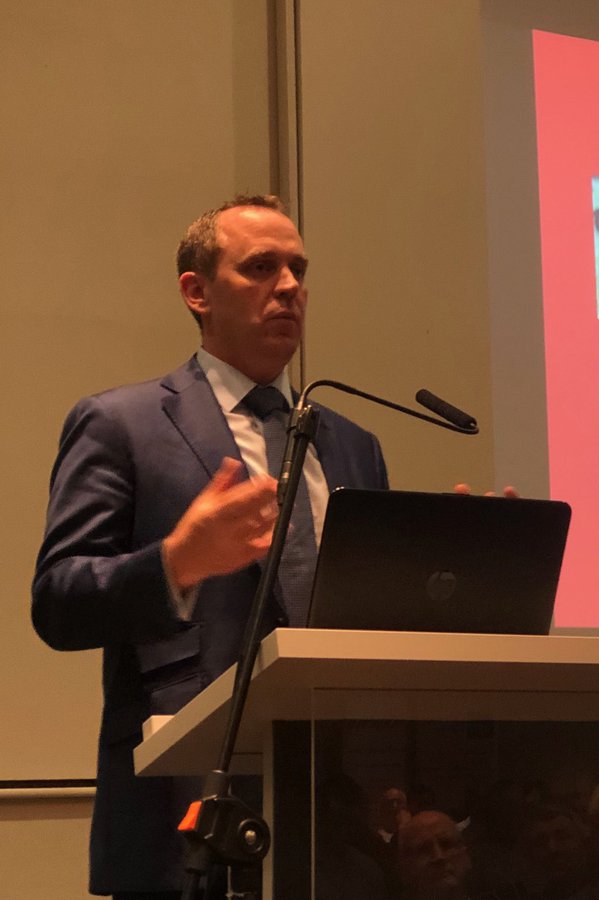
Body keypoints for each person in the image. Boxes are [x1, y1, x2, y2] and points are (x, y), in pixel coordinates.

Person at [32, 195, 389, 899]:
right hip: (186, 813)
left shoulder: (354, 445)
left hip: (338, 827)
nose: (289, 286)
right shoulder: (122, 424)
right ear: (197, 292)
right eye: (260, 267)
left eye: (298, 269)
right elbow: (58, 601)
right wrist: (175, 564)